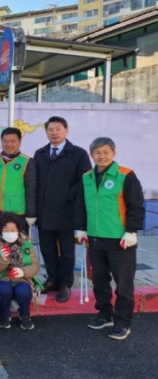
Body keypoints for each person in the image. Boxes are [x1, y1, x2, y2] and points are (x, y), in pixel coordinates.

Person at [75, 137, 144, 341]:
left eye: (106, 152)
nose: (102, 156)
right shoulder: (86, 177)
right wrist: (81, 228)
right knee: (99, 280)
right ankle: (105, 314)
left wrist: (132, 231)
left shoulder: (126, 175)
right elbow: (80, 205)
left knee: (123, 284)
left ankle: (122, 322)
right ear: (91, 155)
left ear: (114, 153)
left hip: (120, 240)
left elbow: (136, 205)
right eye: (97, 153)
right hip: (95, 239)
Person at [33, 116, 92, 303]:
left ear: (66, 131)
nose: (54, 133)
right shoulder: (40, 154)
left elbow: (85, 181)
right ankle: (52, 279)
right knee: (47, 249)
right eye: (50, 129)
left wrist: (67, 195)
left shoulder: (78, 154)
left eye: (58, 129)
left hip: (67, 212)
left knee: (66, 251)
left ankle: (66, 283)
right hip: (44, 212)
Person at [0, 127, 37, 232]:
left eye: (13, 141)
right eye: (5, 141)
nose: (9, 144)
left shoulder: (27, 162)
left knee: (18, 241)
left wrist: (31, 214)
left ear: (19, 142)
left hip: (18, 214)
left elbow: (31, 190)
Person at [0, 213, 40, 331]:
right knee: (4, 289)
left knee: (23, 291)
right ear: (0, 231)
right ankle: (4, 315)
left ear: (18, 230)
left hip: (22, 277)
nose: (10, 233)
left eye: (13, 230)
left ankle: (25, 315)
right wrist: (3, 259)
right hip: (2, 276)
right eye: (6, 230)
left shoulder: (25, 243)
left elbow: (35, 265)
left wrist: (23, 271)